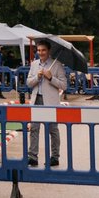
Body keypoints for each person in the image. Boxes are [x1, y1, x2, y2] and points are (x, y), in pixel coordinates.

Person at [25, 39, 65, 167]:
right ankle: (32, 157)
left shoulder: (57, 65)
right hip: (36, 99)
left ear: (48, 51)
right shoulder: (34, 64)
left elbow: (64, 85)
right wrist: (37, 77)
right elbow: (28, 83)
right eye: (39, 50)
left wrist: (50, 77)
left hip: (51, 102)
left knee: (53, 129)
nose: (40, 53)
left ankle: (54, 157)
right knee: (34, 129)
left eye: (43, 50)